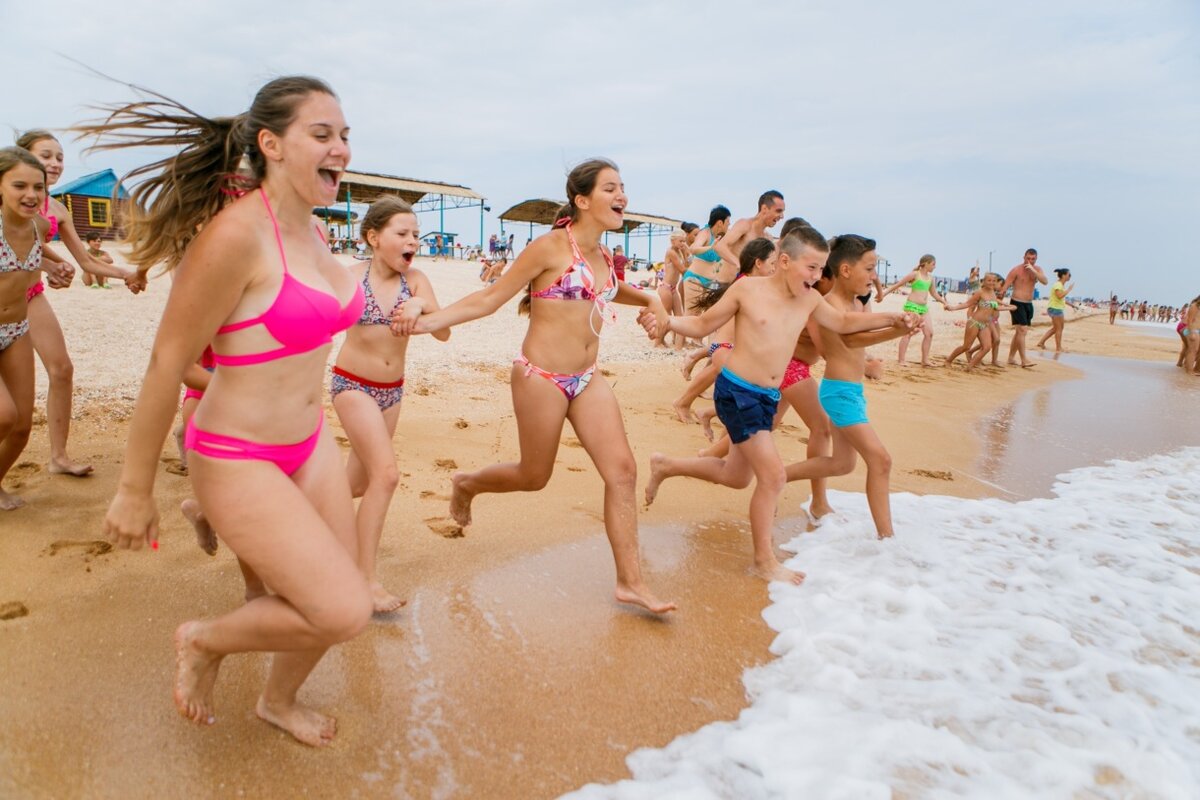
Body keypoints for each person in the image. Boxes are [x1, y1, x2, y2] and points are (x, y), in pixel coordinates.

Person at [90, 76, 374, 746]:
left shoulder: (313, 233)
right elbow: (166, 362)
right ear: (271, 144)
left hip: (308, 441)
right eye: (323, 134)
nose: (342, 150)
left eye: (346, 135)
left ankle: (278, 701)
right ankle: (204, 641)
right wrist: (135, 489)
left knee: (335, 597)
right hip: (236, 454)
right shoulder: (234, 237)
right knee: (343, 608)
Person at [394, 158, 675, 614]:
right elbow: (490, 298)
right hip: (540, 377)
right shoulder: (548, 248)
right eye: (611, 188)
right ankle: (466, 484)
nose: (622, 195)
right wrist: (430, 322)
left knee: (622, 471)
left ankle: (631, 582)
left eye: (623, 187)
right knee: (534, 476)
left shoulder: (604, 257)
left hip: (588, 378)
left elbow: (611, 288)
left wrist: (649, 298)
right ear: (583, 201)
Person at [642, 227, 914, 583]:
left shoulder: (809, 300)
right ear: (784, 261)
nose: (817, 277)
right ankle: (763, 561)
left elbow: (845, 322)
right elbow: (703, 323)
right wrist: (667, 320)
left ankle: (666, 466)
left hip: (767, 397)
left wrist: (892, 318)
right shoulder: (747, 290)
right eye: (811, 268)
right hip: (737, 392)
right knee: (773, 476)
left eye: (821, 270)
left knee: (737, 477)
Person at [332, 197, 449, 613]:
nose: (412, 240)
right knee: (386, 476)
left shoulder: (415, 280)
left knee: (356, 486)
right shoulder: (347, 277)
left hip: (391, 393)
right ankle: (363, 580)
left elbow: (444, 333)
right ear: (373, 237)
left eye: (415, 234)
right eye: (402, 234)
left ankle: (283, 521)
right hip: (351, 386)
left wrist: (419, 306)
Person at [17, 130, 145, 477]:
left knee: (62, 370)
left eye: (59, 156)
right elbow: (13, 248)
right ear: (24, 158)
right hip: (5, 294)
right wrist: (50, 264)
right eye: (46, 155)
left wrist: (127, 273)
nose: (55, 163)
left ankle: (58, 457)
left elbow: (87, 262)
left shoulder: (57, 208)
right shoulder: (7, 199)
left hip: (31, 297)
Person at [781, 235, 916, 539]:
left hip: (852, 391)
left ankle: (778, 476)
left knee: (842, 464)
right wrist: (895, 326)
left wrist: (895, 329)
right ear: (844, 270)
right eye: (869, 269)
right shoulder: (830, 305)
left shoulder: (855, 303)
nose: (874, 277)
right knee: (880, 460)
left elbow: (858, 342)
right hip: (838, 392)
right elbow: (847, 339)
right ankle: (887, 539)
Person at [673, 238, 777, 424]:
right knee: (721, 370)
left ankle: (698, 406)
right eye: (772, 263)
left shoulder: (754, 284)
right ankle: (684, 403)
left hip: (732, 347)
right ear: (758, 263)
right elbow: (706, 324)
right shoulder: (745, 285)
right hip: (726, 347)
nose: (774, 268)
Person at [0, 148, 53, 509]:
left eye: (38, 186)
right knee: (4, 416)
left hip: (16, 328)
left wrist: (58, 269)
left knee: (21, 426)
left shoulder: (40, 225)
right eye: (19, 185)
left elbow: (42, 254)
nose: (31, 195)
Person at [878, 254, 946, 367]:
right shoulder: (915, 274)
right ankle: (901, 360)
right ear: (926, 263)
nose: (935, 267)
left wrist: (944, 302)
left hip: (924, 309)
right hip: (912, 307)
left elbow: (934, 294)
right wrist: (883, 294)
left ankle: (925, 360)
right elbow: (897, 285)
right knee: (908, 333)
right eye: (933, 264)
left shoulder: (931, 278)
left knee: (929, 334)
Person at [945, 273, 1015, 370]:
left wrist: (1009, 307)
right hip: (974, 322)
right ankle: (948, 361)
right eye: (989, 280)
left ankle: (969, 367)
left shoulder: (993, 293)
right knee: (966, 347)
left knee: (987, 347)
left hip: (985, 324)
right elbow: (967, 304)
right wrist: (952, 308)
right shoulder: (980, 292)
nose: (991, 283)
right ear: (984, 281)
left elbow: (995, 307)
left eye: (994, 281)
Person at [680, 205, 731, 322]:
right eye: (728, 221)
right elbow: (693, 248)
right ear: (720, 223)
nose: (729, 224)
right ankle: (679, 341)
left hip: (710, 281)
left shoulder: (719, 237)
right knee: (690, 315)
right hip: (694, 278)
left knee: (706, 317)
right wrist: (710, 247)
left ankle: (695, 341)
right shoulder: (705, 233)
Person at [712, 190, 786, 270]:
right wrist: (740, 266)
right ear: (764, 208)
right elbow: (719, 247)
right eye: (778, 211)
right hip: (723, 282)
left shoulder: (768, 238)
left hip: (747, 281)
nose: (782, 216)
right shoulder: (744, 225)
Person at [999, 248, 1047, 368]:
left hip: (1028, 304)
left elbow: (1045, 281)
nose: (1030, 261)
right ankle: (1024, 359)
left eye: (1033, 259)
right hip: (1017, 303)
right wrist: (999, 303)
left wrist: (1033, 271)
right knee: (1022, 330)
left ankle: (1011, 358)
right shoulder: (1016, 270)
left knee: (1019, 332)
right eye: (1028, 258)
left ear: (1036, 259)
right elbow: (1004, 287)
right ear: (1023, 257)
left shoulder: (1038, 269)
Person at [1036, 268, 1077, 352]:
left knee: (1056, 328)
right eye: (1069, 275)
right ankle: (1058, 348)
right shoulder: (1058, 285)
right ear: (1063, 276)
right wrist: (1069, 290)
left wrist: (1072, 305)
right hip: (1055, 309)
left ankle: (1041, 342)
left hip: (1056, 308)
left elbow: (1061, 299)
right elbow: (1059, 296)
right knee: (1059, 329)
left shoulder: (1060, 285)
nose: (1070, 276)